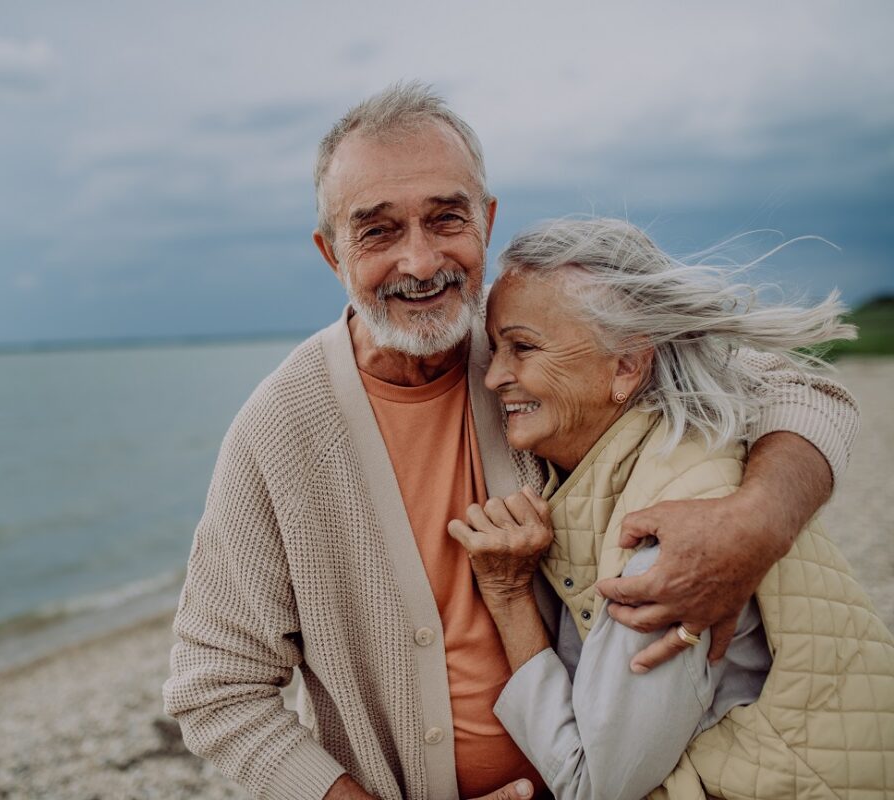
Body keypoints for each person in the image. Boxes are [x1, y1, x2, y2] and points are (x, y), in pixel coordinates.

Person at [162, 83, 860, 800]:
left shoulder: (544, 361)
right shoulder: (278, 429)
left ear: (487, 222)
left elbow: (806, 391)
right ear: (330, 252)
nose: (420, 260)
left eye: (446, 218)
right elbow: (217, 690)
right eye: (377, 231)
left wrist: (755, 525)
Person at [448, 217, 894, 799]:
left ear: (628, 367)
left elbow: (594, 787)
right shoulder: (650, 449)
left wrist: (508, 599)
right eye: (496, 348)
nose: (495, 377)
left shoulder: (669, 547)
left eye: (523, 348)